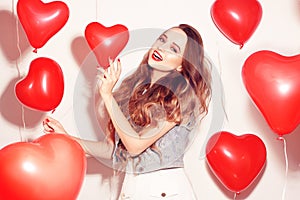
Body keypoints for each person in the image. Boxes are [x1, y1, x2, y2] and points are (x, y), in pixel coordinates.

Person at [43, 24, 211, 200]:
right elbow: (112, 150)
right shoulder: (134, 90)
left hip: (165, 191)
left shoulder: (181, 96)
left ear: (181, 66)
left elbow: (136, 145)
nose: (162, 47)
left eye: (173, 49)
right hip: (132, 188)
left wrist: (107, 96)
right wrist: (67, 139)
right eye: (162, 39)